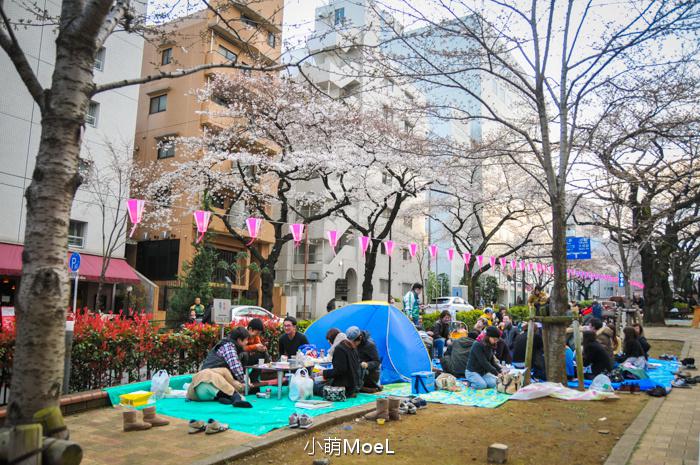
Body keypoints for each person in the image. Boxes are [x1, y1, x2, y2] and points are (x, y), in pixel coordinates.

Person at [188, 326, 254, 407]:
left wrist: (243, 383)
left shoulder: (233, 346)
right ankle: (235, 396)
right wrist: (243, 382)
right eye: (246, 340)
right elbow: (236, 368)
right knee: (215, 374)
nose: (247, 342)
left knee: (225, 373)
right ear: (239, 340)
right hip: (207, 380)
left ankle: (226, 396)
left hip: (213, 385)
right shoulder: (228, 347)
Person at [317, 329, 362, 398]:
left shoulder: (339, 349)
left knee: (315, 386)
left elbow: (339, 370)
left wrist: (324, 373)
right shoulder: (352, 347)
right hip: (353, 387)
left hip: (344, 389)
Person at [347, 326, 382, 393]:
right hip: (358, 371)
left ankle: (369, 387)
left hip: (370, 373)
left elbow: (377, 362)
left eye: (354, 342)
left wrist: (367, 364)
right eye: (350, 342)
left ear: (360, 338)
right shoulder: (352, 343)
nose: (352, 345)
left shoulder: (370, 345)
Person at [239, 318, 269, 384]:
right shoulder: (242, 333)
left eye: (259, 333)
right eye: (257, 332)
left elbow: (259, 344)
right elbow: (241, 348)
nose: (257, 335)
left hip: (250, 357)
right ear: (250, 329)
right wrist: (255, 347)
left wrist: (262, 348)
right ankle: (242, 378)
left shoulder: (256, 336)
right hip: (240, 359)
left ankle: (253, 377)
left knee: (264, 354)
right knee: (244, 354)